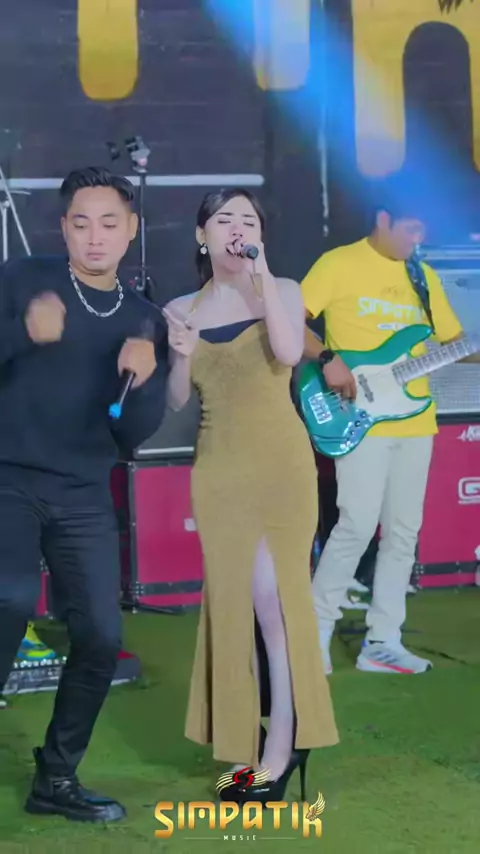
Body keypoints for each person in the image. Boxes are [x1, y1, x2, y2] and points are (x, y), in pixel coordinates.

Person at [0, 166, 168, 821]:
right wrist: (22, 333)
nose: (94, 237)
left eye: (108, 223)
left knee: (100, 634)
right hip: (9, 477)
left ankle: (57, 779)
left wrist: (145, 383)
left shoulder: (144, 318)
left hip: (83, 492)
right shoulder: (22, 279)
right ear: (63, 227)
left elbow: (131, 435)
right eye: (81, 223)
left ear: (131, 230)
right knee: (9, 598)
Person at [162, 188, 338, 804]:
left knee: (275, 601)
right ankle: (247, 743)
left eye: (249, 221)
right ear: (201, 235)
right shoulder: (181, 308)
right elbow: (177, 401)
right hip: (218, 468)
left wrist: (261, 278)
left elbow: (288, 353)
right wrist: (180, 356)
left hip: (280, 462)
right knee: (235, 604)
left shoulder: (282, 290)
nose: (237, 229)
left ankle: (283, 745)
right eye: (224, 220)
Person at [300, 185, 476, 675]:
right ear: (383, 218)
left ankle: (383, 641)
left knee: (403, 532)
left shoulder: (422, 276)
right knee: (356, 524)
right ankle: (313, 635)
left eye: (423, 229)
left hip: (415, 420)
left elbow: (454, 342)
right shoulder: (339, 264)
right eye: (411, 227)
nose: (418, 238)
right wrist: (328, 358)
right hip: (360, 417)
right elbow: (291, 322)